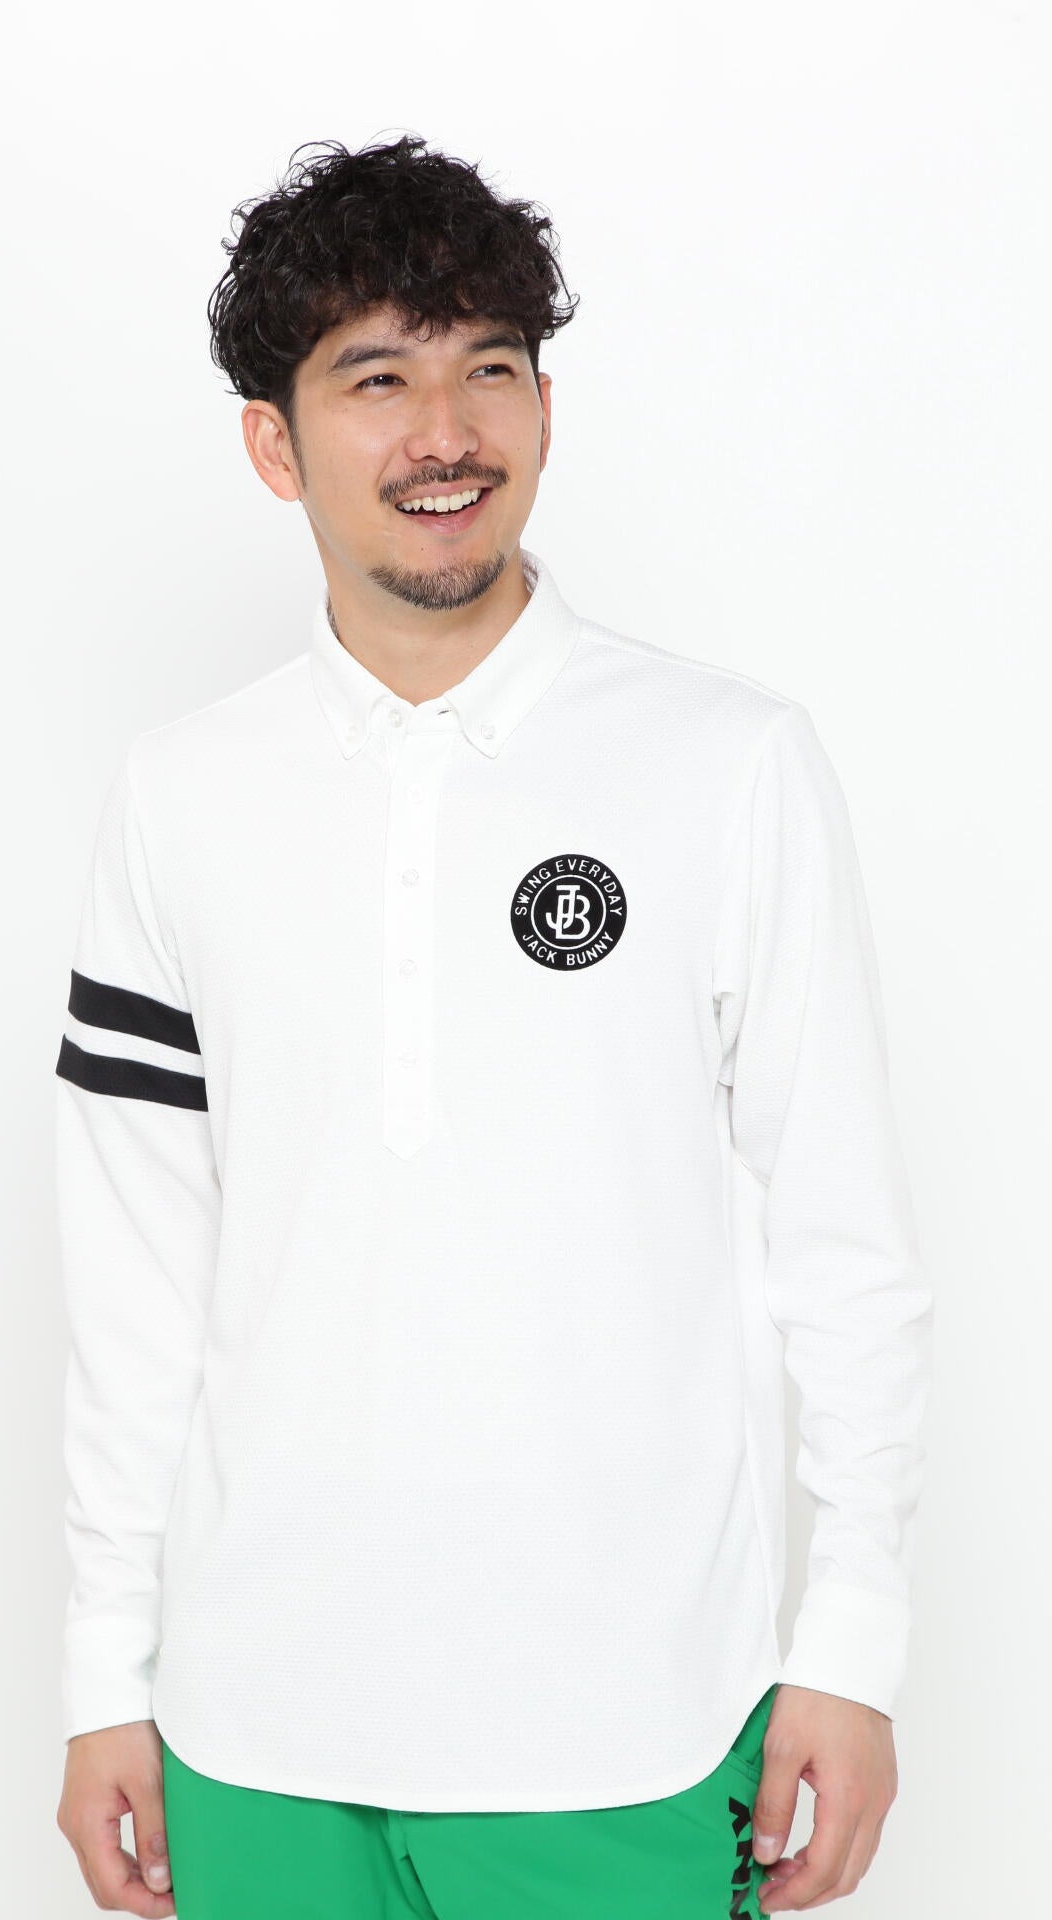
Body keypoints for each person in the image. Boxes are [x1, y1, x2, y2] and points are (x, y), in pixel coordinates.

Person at [52, 134, 932, 1918]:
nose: (444, 433)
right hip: (251, 1724)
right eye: (377, 379)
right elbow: (135, 1278)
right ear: (274, 443)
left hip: (627, 1723)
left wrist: (853, 1644)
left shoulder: (729, 766)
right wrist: (101, 1674)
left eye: (490, 369)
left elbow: (845, 1243)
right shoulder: (181, 796)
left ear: (544, 404)